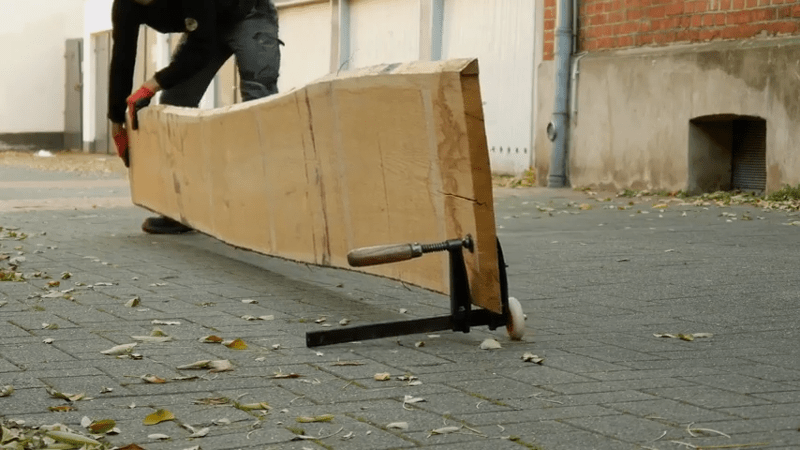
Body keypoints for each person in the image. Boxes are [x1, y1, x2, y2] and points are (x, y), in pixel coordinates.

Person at [109, 0, 281, 234]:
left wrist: (152, 84)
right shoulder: (125, 5)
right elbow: (122, 57)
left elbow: (201, 49)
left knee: (258, 104)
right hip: (206, 25)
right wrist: (116, 120)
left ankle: (266, 213)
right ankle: (180, 210)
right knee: (175, 103)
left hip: (248, 14)